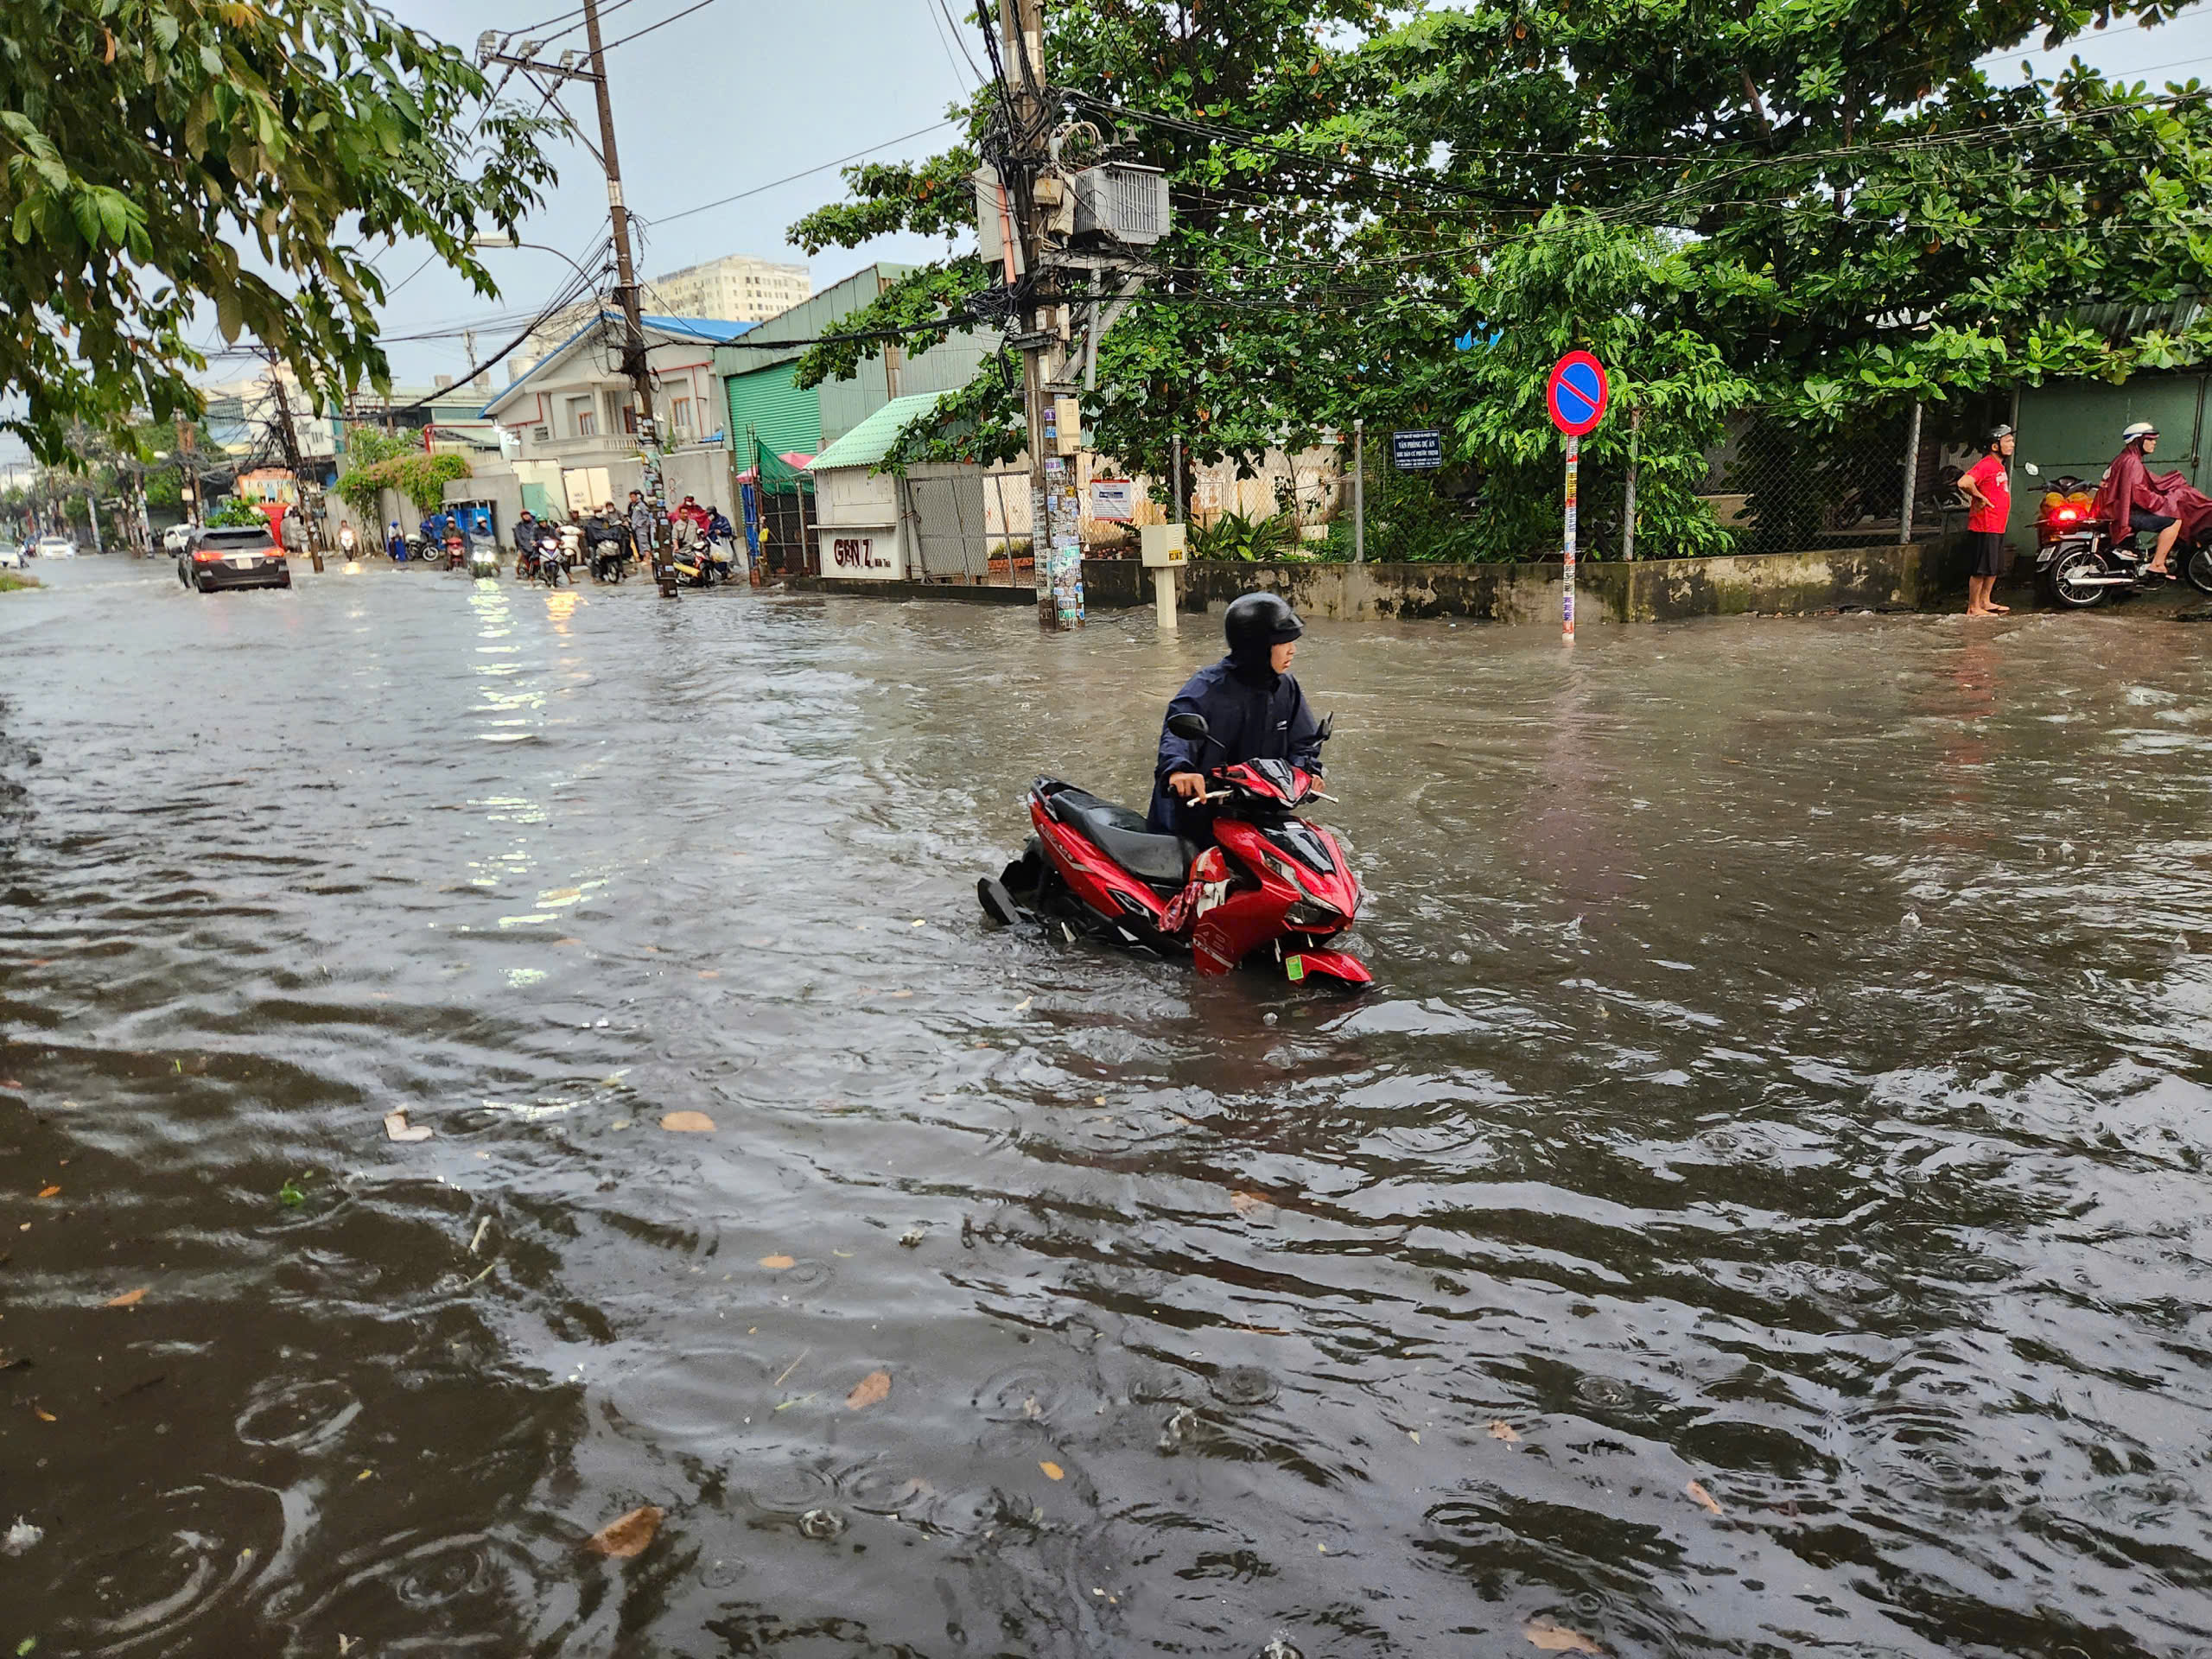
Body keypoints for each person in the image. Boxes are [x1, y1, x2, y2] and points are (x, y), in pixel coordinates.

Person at [1148, 593, 1324, 841]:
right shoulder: (1205, 689)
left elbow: (1304, 741)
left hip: (1260, 816)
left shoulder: (1286, 687)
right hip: (1199, 819)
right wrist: (1179, 771)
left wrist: (1307, 773)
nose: (1292, 650)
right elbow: (1177, 735)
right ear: (1258, 647)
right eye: (1283, 643)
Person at [2094, 421, 2182, 580]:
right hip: (2123, 512)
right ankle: (2157, 564)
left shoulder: (2122, 458)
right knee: (2174, 521)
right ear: (2138, 440)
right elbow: (2139, 493)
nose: (2154, 442)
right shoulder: (2132, 462)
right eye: (2150, 439)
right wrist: (2163, 503)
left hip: (2112, 509)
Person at [1957, 425, 2015, 616]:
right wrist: (1979, 497)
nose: (2012, 444)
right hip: (1985, 525)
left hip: (1997, 525)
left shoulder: (1999, 466)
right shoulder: (1987, 464)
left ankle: (1985, 601)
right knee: (1981, 568)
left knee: (1993, 567)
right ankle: (1974, 607)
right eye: (2007, 441)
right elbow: (1964, 482)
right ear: (1995, 446)